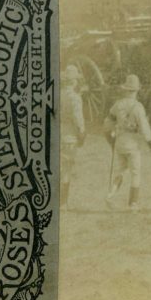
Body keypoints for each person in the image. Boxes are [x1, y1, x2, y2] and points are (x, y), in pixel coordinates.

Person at [103, 75, 151, 210]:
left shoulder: (118, 105)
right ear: (136, 91)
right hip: (133, 143)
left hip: (120, 141)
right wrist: (150, 142)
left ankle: (110, 195)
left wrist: (110, 138)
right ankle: (133, 204)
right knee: (135, 173)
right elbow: (144, 127)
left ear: (125, 90)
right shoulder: (138, 107)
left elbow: (108, 123)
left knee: (120, 171)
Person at [60, 65, 86, 208]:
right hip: (69, 137)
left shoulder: (55, 95)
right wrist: (82, 133)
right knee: (66, 169)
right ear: (74, 81)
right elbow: (78, 119)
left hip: (56, 135)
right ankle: (63, 202)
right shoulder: (74, 98)